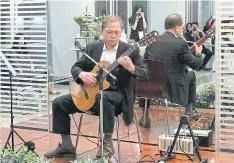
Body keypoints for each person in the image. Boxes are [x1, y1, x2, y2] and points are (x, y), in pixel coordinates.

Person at [44, 15, 149, 159]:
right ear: (102, 31)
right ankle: (66, 146)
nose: (113, 36)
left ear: (122, 32)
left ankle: (106, 144)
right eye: (109, 32)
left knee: (104, 97)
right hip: (91, 94)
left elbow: (145, 73)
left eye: (117, 32)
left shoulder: (130, 50)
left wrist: (131, 68)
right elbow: (76, 67)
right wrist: (82, 75)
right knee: (59, 103)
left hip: (118, 96)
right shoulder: (93, 47)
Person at [138, 14, 203, 128]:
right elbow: (195, 64)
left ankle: (145, 115)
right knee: (191, 75)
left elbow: (146, 62)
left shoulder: (152, 41)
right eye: (181, 27)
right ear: (177, 27)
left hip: (151, 86)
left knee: (147, 77)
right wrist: (198, 53)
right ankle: (189, 111)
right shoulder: (180, 43)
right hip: (172, 86)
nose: (182, 29)